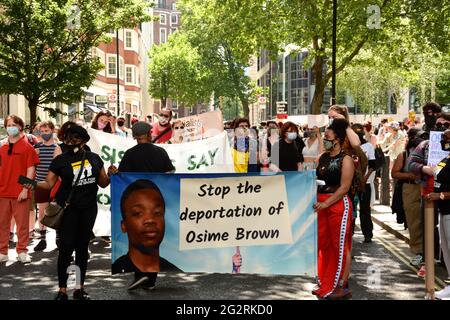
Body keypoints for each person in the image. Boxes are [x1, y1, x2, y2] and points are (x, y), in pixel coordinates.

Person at [27, 125, 111, 300]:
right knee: (65, 249)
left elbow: (103, 183)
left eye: (75, 139)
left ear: (84, 141)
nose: (70, 142)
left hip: (88, 209)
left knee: (82, 248)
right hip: (68, 209)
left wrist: (111, 173)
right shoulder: (60, 160)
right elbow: (49, 184)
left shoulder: (95, 159)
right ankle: (62, 290)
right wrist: (32, 183)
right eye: (67, 139)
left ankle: (79, 289)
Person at [109, 121, 175, 290]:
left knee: (139, 240)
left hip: (137, 201)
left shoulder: (130, 154)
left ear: (134, 137)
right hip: (155, 200)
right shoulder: (160, 152)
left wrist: (114, 173)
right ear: (149, 134)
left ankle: (141, 276)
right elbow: (170, 174)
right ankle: (150, 279)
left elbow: (122, 176)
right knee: (152, 241)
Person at [313, 118, 355, 300]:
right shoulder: (322, 157)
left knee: (338, 246)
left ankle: (338, 285)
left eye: (328, 136)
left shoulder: (346, 159)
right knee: (323, 244)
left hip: (337, 204)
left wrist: (326, 203)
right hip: (321, 204)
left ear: (337, 139)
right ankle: (324, 281)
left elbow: (344, 188)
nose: (325, 138)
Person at [408, 109, 449, 278]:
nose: (442, 127)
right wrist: (424, 168)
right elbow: (411, 163)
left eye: (446, 124)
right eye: (438, 124)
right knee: (429, 229)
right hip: (429, 193)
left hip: (447, 195)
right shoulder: (425, 144)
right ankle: (427, 261)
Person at [112, 179, 181, 274]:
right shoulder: (117, 272)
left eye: (157, 212)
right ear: (124, 225)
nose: (150, 220)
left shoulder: (176, 274)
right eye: (137, 213)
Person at [0, 115, 40, 264]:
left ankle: (22, 251)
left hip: (20, 192)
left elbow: (31, 170)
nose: (11, 127)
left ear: (20, 127)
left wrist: (25, 190)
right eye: (8, 125)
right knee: (2, 224)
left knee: (22, 225)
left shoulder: (27, 147)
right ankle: (2, 252)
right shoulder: (2, 146)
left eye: (14, 125)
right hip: (2, 192)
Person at [392, 128, 425, 267]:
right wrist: (411, 176)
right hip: (411, 188)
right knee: (414, 222)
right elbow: (395, 173)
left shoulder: (428, 153)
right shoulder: (403, 154)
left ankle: (430, 252)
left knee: (428, 221)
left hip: (426, 187)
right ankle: (418, 252)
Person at [424, 128, 450, 299]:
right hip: (443, 210)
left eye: (447, 137)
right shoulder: (446, 158)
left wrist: (440, 195)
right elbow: (435, 171)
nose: (443, 140)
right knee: (446, 250)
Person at [33, 121, 61, 252]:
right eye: (42, 132)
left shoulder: (57, 148)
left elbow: (59, 167)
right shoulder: (37, 147)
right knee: (42, 212)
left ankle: (58, 239)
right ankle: (42, 240)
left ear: (52, 131)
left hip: (54, 184)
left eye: (47, 131)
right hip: (40, 183)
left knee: (57, 212)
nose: (44, 134)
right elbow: (33, 166)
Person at [352, 124, 376, 243]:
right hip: (352, 183)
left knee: (365, 209)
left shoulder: (369, 146)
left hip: (365, 183)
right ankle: (349, 233)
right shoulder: (350, 147)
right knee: (351, 209)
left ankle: (367, 233)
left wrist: (364, 178)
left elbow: (372, 165)